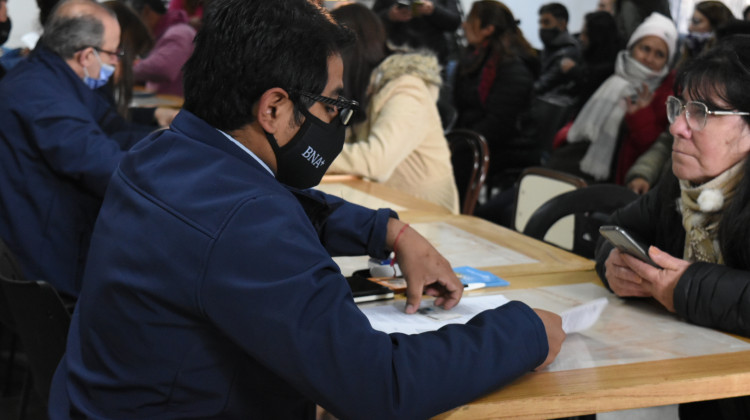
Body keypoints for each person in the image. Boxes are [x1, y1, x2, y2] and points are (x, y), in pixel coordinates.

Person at [48, 0, 565, 418]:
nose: (335, 121)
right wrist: (524, 332)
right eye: (329, 105)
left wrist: (388, 232)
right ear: (272, 108)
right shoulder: (248, 219)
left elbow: (271, 206)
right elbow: (377, 387)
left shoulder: (159, 153)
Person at [595, 35, 750, 419]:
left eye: (701, 113)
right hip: (696, 379)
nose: (677, 128)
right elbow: (617, 229)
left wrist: (685, 288)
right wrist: (614, 265)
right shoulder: (682, 181)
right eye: (678, 107)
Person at [0, 0, 158, 299]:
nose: (116, 62)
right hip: (48, 266)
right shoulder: (42, 97)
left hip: (48, 236)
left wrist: (167, 139)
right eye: (114, 53)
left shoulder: (48, 75)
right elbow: (107, 168)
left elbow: (110, 127)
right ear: (87, 55)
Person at [326, 4, 459, 213]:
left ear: (347, 55)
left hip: (428, 218)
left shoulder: (407, 87)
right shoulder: (366, 87)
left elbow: (375, 162)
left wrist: (309, 151)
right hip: (383, 204)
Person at [546, 12, 677, 185]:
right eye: (645, 48)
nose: (649, 58)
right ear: (632, 47)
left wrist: (640, 115)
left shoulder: (665, 96)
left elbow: (655, 151)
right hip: (571, 161)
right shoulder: (610, 75)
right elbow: (578, 118)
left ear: (667, 62)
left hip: (611, 180)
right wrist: (566, 135)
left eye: (659, 54)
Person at [452, 0, 537, 180]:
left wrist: (457, 144)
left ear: (488, 29)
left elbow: (499, 124)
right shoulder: (474, 59)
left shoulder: (512, 67)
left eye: (470, 20)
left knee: (447, 164)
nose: (464, 25)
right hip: (476, 140)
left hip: (506, 148)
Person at [130, 0, 196, 96]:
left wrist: (125, 71)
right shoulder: (169, 32)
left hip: (178, 106)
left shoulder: (179, 33)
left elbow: (164, 68)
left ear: (146, 11)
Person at [559, 10, 620, 112]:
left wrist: (575, 71)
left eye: (586, 34)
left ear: (597, 37)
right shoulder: (589, 54)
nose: (581, 38)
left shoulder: (609, 68)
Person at [372, 0, 461, 64]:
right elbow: (371, 22)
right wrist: (389, 15)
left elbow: (454, 22)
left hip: (433, 59)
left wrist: (434, 11)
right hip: (395, 57)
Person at [534, 3, 581, 100]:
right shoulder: (550, 47)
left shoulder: (568, 51)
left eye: (547, 22)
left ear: (562, 24)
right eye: (541, 23)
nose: (542, 27)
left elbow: (543, 84)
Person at [677, 1, 735, 68]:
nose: (689, 28)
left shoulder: (724, 66)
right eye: (691, 21)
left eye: (696, 21)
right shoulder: (688, 55)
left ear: (716, 27)